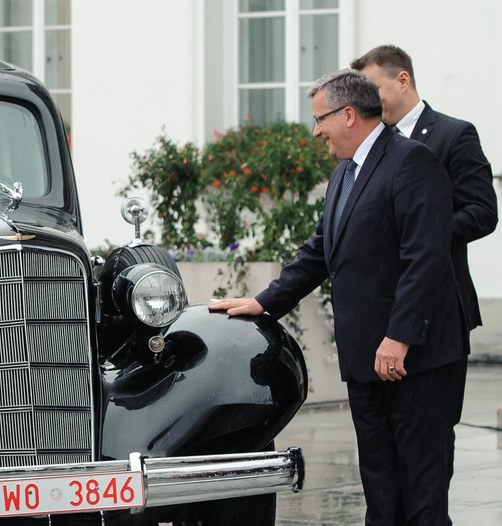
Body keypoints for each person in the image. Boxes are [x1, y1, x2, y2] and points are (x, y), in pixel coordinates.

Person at [209, 70, 464, 525]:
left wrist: (399, 337)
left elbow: (425, 258)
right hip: (366, 358)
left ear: (348, 114)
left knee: (422, 495)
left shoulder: (413, 162)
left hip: (414, 360)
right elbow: (321, 251)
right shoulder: (345, 172)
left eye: (320, 118)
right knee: (381, 489)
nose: (315, 130)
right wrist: (263, 302)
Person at [351, 45, 498, 485]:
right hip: (382, 312)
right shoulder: (372, 144)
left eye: (374, 87)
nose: (369, 101)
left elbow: (482, 212)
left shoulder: (453, 135)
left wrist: (423, 235)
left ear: (403, 80)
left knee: (426, 456)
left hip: (437, 309)